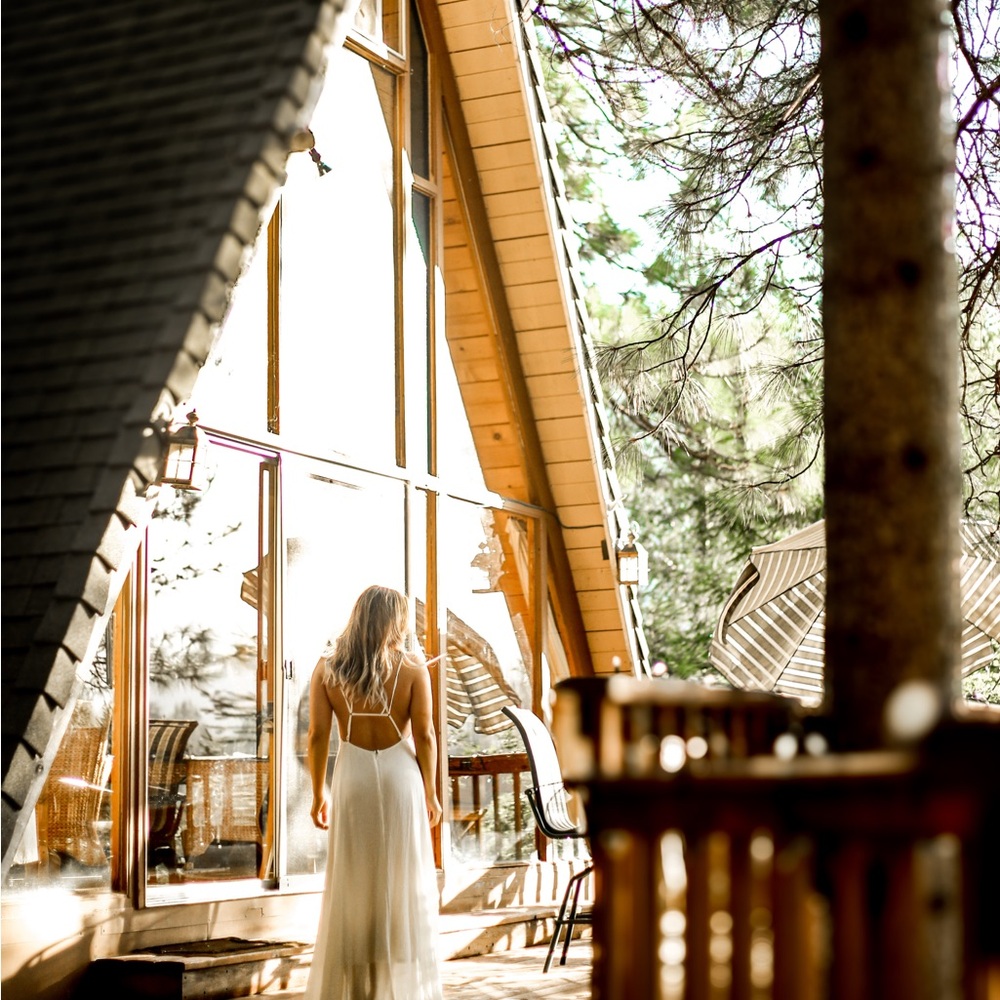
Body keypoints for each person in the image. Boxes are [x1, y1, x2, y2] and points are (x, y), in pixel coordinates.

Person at [303, 585, 443, 1000]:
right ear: (395, 621)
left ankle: (358, 989)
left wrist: (317, 793)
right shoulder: (414, 669)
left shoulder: (327, 669)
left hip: (353, 777)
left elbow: (316, 736)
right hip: (401, 778)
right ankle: (397, 988)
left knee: (354, 880)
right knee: (401, 879)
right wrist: (431, 793)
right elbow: (427, 736)